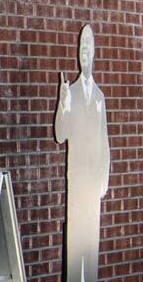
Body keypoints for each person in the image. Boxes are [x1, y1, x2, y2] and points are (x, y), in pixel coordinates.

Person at [53, 25, 110, 282]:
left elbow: (104, 140)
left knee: (91, 241)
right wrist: (63, 105)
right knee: (76, 244)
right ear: (78, 54)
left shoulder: (99, 97)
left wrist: (103, 179)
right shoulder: (71, 93)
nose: (85, 52)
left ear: (95, 52)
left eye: (89, 47)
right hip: (76, 182)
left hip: (93, 183)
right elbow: (60, 134)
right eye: (82, 48)